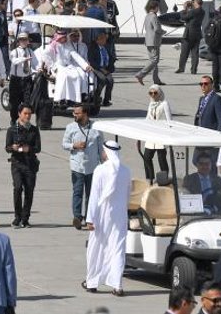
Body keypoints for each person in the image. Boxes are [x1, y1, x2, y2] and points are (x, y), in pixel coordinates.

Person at [82, 140, 131, 297]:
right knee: (117, 249)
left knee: (96, 248)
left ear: (107, 152)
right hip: (120, 215)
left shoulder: (100, 170)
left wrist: (90, 218)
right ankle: (117, 286)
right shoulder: (126, 171)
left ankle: (92, 283)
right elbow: (128, 195)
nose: (102, 154)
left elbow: (94, 196)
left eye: (103, 151)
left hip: (102, 215)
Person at [62, 106, 105, 229]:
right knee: (77, 192)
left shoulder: (96, 127)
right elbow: (64, 144)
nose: (74, 115)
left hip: (92, 166)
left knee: (91, 194)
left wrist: (104, 163)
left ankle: (88, 218)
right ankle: (77, 217)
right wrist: (74, 145)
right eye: (74, 113)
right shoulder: (71, 127)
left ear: (85, 114)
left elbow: (101, 146)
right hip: (77, 166)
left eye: (77, 113)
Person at [6, 104, 41, 228]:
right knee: (17, 188)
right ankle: (17, 216)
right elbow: (7, 147)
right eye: (25, 113)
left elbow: (38, 148)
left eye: (30, 114)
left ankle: (25, 218)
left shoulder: (34, 130)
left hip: (30, 165)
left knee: (29, 191)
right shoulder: (12, 129)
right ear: (19, 114)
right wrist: (13, 147)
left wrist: (29, 149)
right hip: (17, 164)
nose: (28, 116)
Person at [141, 84, 172, 180]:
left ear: (159, 93)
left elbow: (169, 120)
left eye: (155, 93)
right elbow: (147, 118)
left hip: (161, 135)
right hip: (151, 135)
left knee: (161, 159)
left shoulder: (164, 104)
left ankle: (164, 179)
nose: (153, 95)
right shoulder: (151, 104)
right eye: (151, 93)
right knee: (146, 157)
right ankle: (149, 179)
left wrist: (169, 135)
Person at [183, 150, 221, 215]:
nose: (204, 167)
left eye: (207, 164)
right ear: (197, 165)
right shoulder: (189, 179)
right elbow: (186, 197)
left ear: (211, 165)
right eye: (201, 164)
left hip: (214, 212)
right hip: (196, 212)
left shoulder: (217, 180)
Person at [8, 32, 39, 124]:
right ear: (18, 41)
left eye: (25, 39)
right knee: (14, 102)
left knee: (27, 101)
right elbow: (14, 61)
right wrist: (24, 59)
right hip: (16, 80)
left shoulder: (30, 51)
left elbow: (35, 63)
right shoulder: (15, 51)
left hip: (27, 79)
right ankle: (14, 119)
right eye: (21, 40)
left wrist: (38, 69)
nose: (23, 41)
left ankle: (25, 119)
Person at [135, 1, 164, 86]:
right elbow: (157, 29)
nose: (158, 9)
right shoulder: (154, 16)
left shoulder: (147, 16)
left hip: (148, 40)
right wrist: (163, 31)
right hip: (154, 41)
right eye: (157, 7)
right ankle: (140, 74)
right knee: (154, 60)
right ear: (155, 7)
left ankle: (156, 80)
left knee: (153, 61)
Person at [176, 0, 204, 74]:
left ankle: (181, 68)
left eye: (194, 2)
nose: (193, 3)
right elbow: (191, 18)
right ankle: (194, 70)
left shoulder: (193, 11)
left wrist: (184, 9)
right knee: (195, 53)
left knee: (184, 52)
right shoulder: (202, 11)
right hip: (197, 33)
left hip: (189, 34)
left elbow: (183, 17)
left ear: (197, 3)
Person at [88, 31, 116, 106]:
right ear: (97, 40)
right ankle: (96, 97)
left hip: (105, 68)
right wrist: (101, 69)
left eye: (105, 39)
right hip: (96, 68)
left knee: (110, 80)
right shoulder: (92, 48)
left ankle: (106, 100)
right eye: (102, 39)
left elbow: (109, 57)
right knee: (102, 79)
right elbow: (92, 61)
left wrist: (111, 65)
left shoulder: (105, 47)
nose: (104, 40)